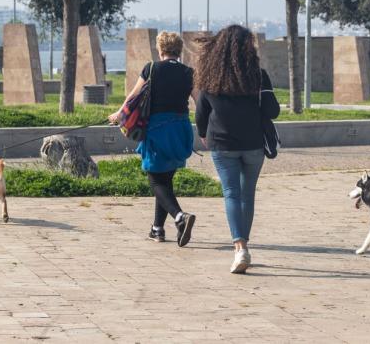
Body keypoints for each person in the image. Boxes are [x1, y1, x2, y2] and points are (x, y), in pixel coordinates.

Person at [195, 25, 280, 274]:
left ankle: (240, 248)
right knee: (247, 195)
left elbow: (201, 113)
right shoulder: (259, 76)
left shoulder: (210, 78)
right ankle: (244, 246)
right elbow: (272, 111)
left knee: (231, 194)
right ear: (248, 48)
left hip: (223, 144)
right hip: (254, 144)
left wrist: (203, 134)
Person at [108, 31, 196, 246]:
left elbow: (133, 95)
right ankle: (157, 229)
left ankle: (179, 217)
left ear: (160, 49)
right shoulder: (188, 72)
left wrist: (119, 114)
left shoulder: (152, 68)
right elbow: (200, 101)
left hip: (157, 128)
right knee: (165, 180)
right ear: (179, 49)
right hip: (181, 128)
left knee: (155, 180)